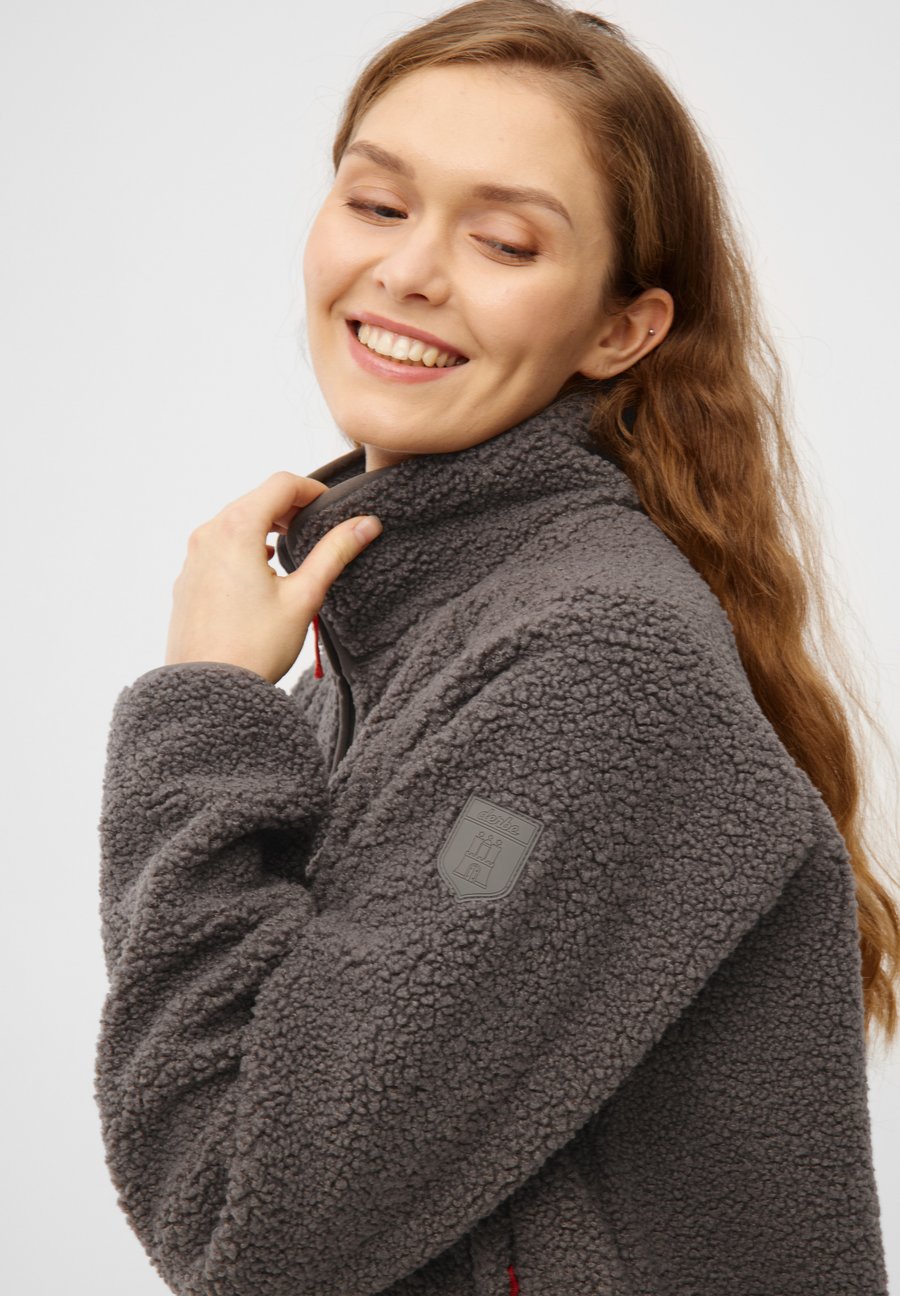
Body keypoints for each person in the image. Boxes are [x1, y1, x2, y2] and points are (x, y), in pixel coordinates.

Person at [94, 2, 898, 1294]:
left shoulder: (594, 664)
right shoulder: (403, 619)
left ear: (621, 330)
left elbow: (247, 1218)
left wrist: (203, 705)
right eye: (377, 204)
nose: (411, 271)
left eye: (505, 240)